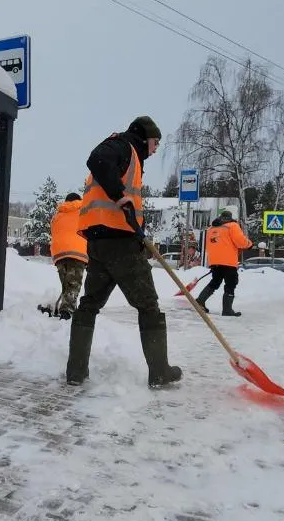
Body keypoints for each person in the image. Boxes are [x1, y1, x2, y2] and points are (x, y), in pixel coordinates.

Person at [66, 115, 182, 388]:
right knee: (148, 305)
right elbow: (96, 158)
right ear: (144, 137)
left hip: (98, 242)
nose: (155, 150)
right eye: (155, 143)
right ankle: (159, 372)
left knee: (89, 305)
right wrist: (121, 196)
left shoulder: (127, 157)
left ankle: (75, 371)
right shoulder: (122, 146)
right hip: (119, 243)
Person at [194, 211, 253, 316]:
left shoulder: (211, 228)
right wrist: (249, 244)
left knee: (215, 281)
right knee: (231, 283)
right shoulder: (232, 226)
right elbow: (240, 241)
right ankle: (227, 310)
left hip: (214, 261)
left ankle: (200, 301)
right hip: (228, 261)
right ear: (230, 217)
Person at [46, 192, 88, 320]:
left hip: (59, 253)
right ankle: (67, 312)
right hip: (77, 252)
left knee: (66, 283)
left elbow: (54, 232)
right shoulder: (84, 211)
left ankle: (65, 307)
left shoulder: (57, 216)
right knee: (73, 284)